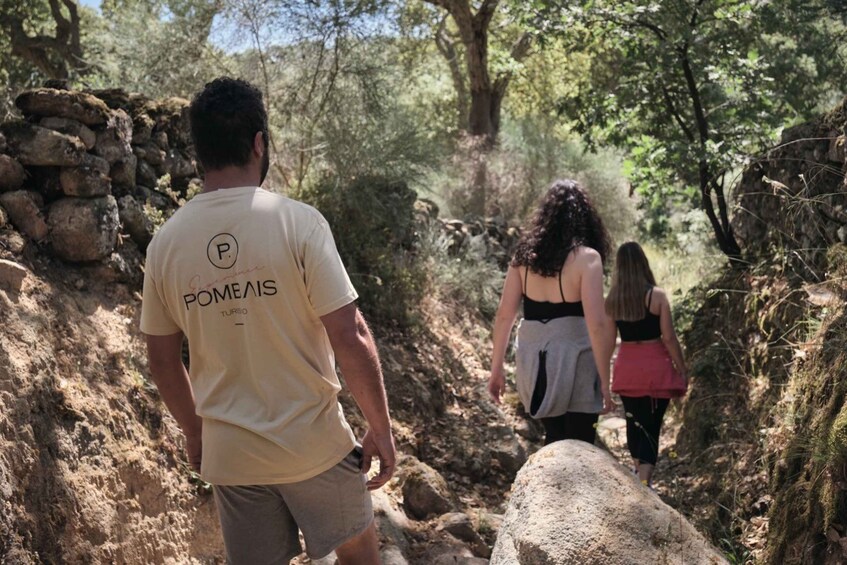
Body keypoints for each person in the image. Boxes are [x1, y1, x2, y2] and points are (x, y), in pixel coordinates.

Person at [140, 77, 395, 565]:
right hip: (314, 445)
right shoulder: (298, 222)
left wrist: (198, 434)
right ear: (259, 142)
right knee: (360, 554)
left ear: (199, 155)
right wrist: (380, 427)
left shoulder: (165, 244)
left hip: (233, 458)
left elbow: (162, 361)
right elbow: (350, 335)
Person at [488, 179, 616, 445]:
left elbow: (504, 316)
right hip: (577, 359)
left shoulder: (523, 259)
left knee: (554, 437)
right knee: (580, 444)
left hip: (535, 363)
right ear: (586, 218)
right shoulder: (588, 258)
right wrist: (605, 381)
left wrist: (496, 368)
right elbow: (597, 325)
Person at [605, 241, 687, 488]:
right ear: (643, 263)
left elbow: (609, 343)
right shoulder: (657, 296)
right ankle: (643, 484)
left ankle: (639, 476)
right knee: (651, 427)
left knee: (634, 423)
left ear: (619, 267)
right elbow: (669, 338)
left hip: (627, 368)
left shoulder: (613, 301)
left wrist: (602, 374)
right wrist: (682, 368)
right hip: (656, 369)